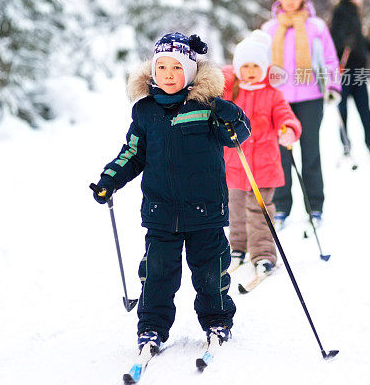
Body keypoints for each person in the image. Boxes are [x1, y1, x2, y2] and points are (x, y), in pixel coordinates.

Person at [90, 32, 251, 353]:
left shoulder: (206, 108)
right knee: (157, 275)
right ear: (152, 71)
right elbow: (132, 153)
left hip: (205, 210)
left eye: (176, 68)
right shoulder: (145, 112)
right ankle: (151, 328)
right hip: (161, 213)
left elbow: (236, 136)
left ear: (190, 72)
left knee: (210, 273)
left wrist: (229, 112)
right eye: (161, 67)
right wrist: (110, 179)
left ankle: (217, 321)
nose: (168, 75)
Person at [262, 0, 340, 226]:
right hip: (280, 99)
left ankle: (315, 207)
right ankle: (282, 207)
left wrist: (333, 85)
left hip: (311, 97)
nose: (290, 1)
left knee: (311, 151)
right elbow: (262, 63)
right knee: (281, 154)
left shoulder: (316, 26)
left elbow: (329, 58)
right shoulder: (269, 29)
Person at [222, 30, 302, 273]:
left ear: (265, 67)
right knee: (235, 210)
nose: (250, 71)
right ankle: (237, 246)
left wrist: (288, 129)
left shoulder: (273, 93)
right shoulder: (230, 93)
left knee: (260, 212)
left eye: (255, 66)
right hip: (236, 164)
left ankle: (264, 253)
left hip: (264, 165)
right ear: (237, 68)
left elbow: (285, 116)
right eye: (244, 66)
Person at [330, 0, 370, 161]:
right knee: (343, 107)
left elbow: (358, 39)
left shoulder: (356, 13)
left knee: (364, 108)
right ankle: (345, 143)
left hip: (359, 69)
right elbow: (334, 38)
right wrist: (344, 43)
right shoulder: (340, 11)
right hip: (345, 70)